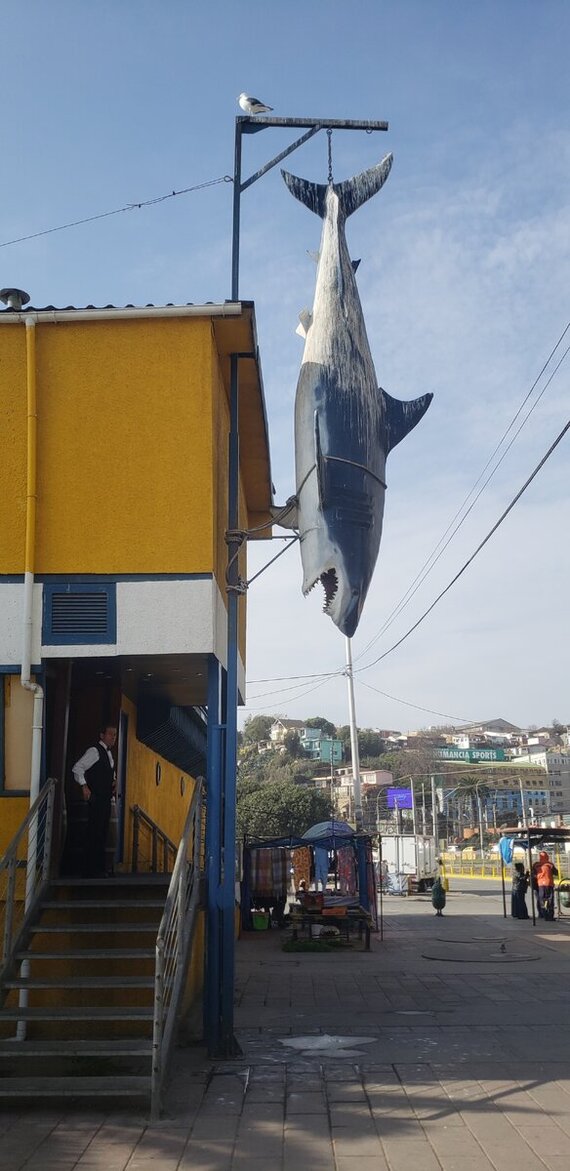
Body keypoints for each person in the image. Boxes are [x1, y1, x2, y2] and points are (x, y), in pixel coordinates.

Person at [72, 724, 117, 877]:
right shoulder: (94, 751)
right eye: (110, 734)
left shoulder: (109, 754)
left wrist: (114, 781)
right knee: (94, 831)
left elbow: (110, 772)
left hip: (105, 798)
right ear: (102, 735)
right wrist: (84, 786)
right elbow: (78, 768)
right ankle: (90, 869)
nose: (113, 738)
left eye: (115, 735)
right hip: (96, 797)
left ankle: (100, 867)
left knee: (102, 831)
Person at [532, 851, 558, 921]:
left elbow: (533, 874)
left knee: (541, 900)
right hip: (549, 884)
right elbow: (556, 873)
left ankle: (542, 914)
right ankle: (550, 916)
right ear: (547, 856)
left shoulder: (536, 865)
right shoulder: (549, 864)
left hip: (540, 885)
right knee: (549, 899)